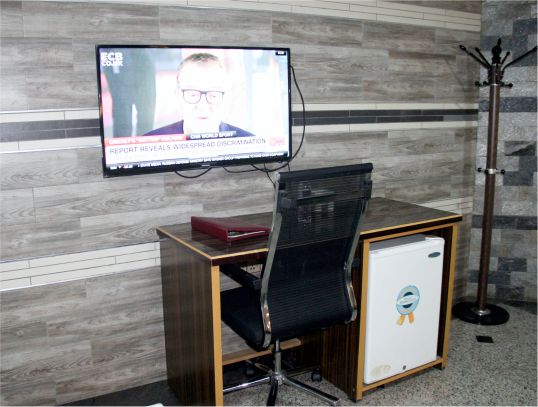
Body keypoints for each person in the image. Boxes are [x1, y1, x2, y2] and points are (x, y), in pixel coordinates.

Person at [145, 53, 255, 137]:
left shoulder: (250, 144)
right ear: (177, 98)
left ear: (227, 99)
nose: (203, 106)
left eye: (213, 95)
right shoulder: (149, 144)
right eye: (193, 95)